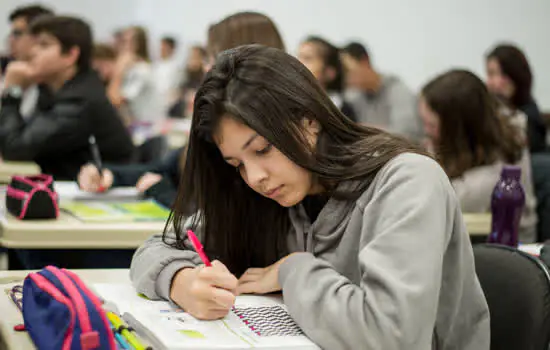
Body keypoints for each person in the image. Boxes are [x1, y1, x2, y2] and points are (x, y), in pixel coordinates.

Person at [130, 45, 489, 350]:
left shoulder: (406, 180)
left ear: (310, 120)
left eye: (264, 148)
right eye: (237, 163)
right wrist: (180, 281)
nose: (255, 177)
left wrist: (292, 269)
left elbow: (391, 335)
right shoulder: (264, 195)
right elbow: (154, 249)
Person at [79, 12, 287, 208]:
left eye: (210, 58)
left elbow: (224, 220)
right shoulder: (217, 123)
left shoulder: (259, 133)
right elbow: (165, 169)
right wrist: (109, 174)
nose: (206, 68)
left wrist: (160, 191)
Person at [0, 15, 134, 180]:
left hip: (99, 194)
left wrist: (12, 91)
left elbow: (15, 149)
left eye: (44, 45)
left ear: (71, 55)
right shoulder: (55, 89)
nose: (33, 51)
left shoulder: (79, 100)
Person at [420, 69, 537, 242]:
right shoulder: (492, 129)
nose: (426, 132)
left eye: (431, 125)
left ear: (458, 130)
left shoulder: (491, 179)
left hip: (508, 254)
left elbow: (431, 201)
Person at [341, 42, 422, 140]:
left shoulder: (398, 90)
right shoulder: (354, 97)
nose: (346, 78)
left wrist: (362, 130)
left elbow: (407, 133)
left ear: (364, 61)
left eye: (347, 70)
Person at [486, 44, 547, 153]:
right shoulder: (489, 111)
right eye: (489, 74)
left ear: (513, 76)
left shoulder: (529, 118)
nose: (489, 82)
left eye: (493, 74)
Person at [3, 4, 53, 118]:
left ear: (39, 37)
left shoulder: (51, 84)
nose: (10, 40)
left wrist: (12, 89)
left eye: (17, 34)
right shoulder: (10, 69)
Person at [107, 26, 163, 125]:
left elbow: (115, 100)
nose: (118, 46)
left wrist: (118, 70)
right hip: (136, 124)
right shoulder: (132, 68)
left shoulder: (141, 70)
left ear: (137, 45)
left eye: (124, 42)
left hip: (145, 128)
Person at [297, 36, 355, 121]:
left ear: (329, 72)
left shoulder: (343, 112)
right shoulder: (289, 105)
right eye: (298, 57)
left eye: (307, 58)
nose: (298, 63)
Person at [154, 36, 182, 113]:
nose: (161, 49)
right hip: (154, 104)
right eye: (161, 46)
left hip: (167, 107)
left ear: (171, 48)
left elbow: (175, 90)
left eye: (164, 46)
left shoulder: (176, 66)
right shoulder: (157, 65)